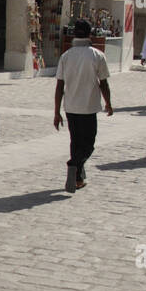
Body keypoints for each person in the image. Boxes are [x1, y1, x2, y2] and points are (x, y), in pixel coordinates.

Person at [53, 18, 113, 192]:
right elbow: (103, 83)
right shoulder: (97, 55)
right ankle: (74, 165)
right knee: (88, 144)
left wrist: (57, 112)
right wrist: (108, 103)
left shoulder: (66, 56)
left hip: (71, 106)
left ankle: (77, 177)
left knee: (75, 142)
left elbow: (59, 86)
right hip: (88, 107)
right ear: (90, 34)